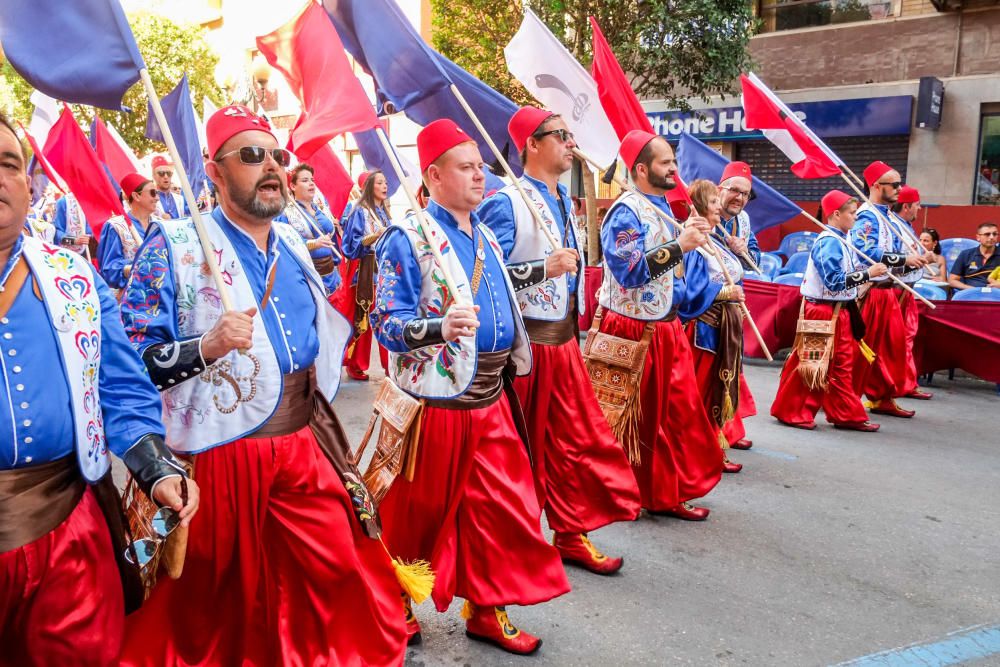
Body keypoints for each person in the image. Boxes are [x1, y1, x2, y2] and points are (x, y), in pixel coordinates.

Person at [118, 105, 407, 666]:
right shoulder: (174, 245)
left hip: (304, 442)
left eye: (277, 155)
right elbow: (128, 364)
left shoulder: (295, 243)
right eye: (252, 155)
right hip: (220, 455)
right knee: (219, 607)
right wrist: (204, 347)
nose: (272, 166)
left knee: (334, 574)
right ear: (214, 169)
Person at [0, 111, 199, 665]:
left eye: (8, 164)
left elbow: (123, 394)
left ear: (28, 182)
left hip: (68, 528)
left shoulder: (76, 279)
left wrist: (159, 472)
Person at [371, 119, 570, 655]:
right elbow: (385, 322)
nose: (481, 175)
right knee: (417, 513)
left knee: (502, 510)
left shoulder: (482, 231)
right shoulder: (406, 238)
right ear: (434, 176)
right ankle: (394, 599)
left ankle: (488, 607)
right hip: (439, 403)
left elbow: (504, 287)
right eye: (467, 167)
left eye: (482, 166)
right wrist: (438, 328)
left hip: (492, 395)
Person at [478, 106, 640, 575]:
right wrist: (540, 270)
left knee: (575, 442)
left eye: (570, 136)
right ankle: (516, 546)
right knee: (520, 454)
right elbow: (481, 278)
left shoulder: (563, 200)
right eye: (560, 135)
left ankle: (571, 532)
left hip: (565, 343)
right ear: (532, 143)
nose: (571, 143)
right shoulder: (507, 201)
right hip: (526, 351)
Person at [596, 130, 724, 521]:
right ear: (640, 169)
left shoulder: (664, 208)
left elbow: (671, 275)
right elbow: (629, 271)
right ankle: (639, 491)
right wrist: (681, 247)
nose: (674, 169)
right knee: (640, 419)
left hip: (665, 328)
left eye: (673, 161)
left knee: (675, 415)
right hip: (635, 328)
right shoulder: (626, 212)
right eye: (665, 162)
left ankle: (665, 490)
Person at [772, 191, 886, 431]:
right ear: (836, 214)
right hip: (822, 311)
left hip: (840, 311)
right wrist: (868, 274)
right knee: (813, 364)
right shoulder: (828, 242)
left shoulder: (842, 240)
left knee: (842, 364)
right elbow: (833, 281)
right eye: (852, 213)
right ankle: (793, 411)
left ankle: (846, 413)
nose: (856, 218)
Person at [679, 179, 753, 473]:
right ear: (699, 207)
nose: (718, 208)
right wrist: (727, 294)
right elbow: (692, 290)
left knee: (717, 389)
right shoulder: (694, 241)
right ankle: (698, 453)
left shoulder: (715, 239)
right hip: (703, 331)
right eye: (712, 203)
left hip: (723, 330)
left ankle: (712, 448)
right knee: (700, 394)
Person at [850, 161, 926, 419]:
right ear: (875, 186)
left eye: (899, 184)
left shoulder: (888, 216)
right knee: (862, 349)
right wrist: (904, 260)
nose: (898, 189)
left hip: (888, 292)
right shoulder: (867, 215)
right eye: (894, 184)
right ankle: (846, 401)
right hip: (871, 292)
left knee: (890, 348)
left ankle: (882, 396)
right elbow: (865, 251)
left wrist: (912, 261)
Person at [341, 169, 392, 380]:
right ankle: (355, 363)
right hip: (365, 270)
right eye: (380, 182)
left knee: (388, 317)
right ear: (369, 186)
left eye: (385, 182)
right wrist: (373, 237)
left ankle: (390, 365)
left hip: (385, 270)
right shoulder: (359, 211)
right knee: (362, 318)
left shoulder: (384, 212)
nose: (385, 186)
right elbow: (350, 246)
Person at [888, 185, 933, 400]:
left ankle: (905, 382)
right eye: (917, 204)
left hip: (906, 291)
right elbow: (888, 265)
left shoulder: (904, 226)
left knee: (905, 339)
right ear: (906, 206)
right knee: (894, 341)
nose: (920, 208)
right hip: (896, 291)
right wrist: (916, 263)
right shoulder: (894, 227)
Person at [275, 163, 342, 297]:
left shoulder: (322, 210)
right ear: (293, 186)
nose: (311, 184)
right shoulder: (285, 214)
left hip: (331, 276)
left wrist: (336, 269)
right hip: (307, 276)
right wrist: (313, 244)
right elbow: (283, 245)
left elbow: (332, 241)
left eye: (312, 180)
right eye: (305, 180)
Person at [97, 172, 159, 300]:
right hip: (132, 298)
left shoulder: (160, 224)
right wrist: (134, 267)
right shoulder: (116, 226)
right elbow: (108, 270)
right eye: (153, 193)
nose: (157, 198)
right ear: (136, 196)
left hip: (161, 295)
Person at [717, 161, 761, 270]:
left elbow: (755, 262)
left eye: (745, 194)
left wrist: (744, 251)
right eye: (734, 190)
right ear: (719, 190)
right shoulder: (702, 215)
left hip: (734, 285)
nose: (739, 198)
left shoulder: (743, 220)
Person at [948, 222, 1000, 289]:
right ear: (978, 237)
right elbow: (952, 280)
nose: (992, 237)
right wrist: (972, 290)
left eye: (995, 234)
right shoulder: (966, 254)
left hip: (996, 294)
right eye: (987, 234)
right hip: (970, 294)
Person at [52, 191, 94, 256]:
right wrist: (74, 241)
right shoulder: (63, 202)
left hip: (86, 251)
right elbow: (56, 233)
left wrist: (88, 237)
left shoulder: (90, 201)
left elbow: (90, 229)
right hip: (65, 254)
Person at [151, 155, 189, 220]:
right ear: (154, 176)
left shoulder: (180, 198)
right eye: (161, 173)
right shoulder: (150, 200)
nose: (166, 176)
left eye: (169, 173)